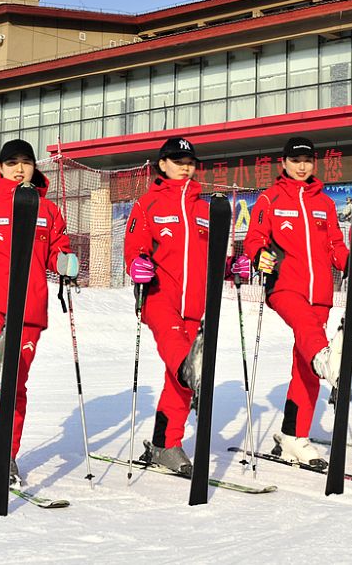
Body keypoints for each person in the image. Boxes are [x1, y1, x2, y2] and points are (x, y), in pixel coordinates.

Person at [0, 139, 78, 483]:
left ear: (36, 167)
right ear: (0, 168)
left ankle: (1, 456)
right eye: (12, 163)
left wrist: (65, 262)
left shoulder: (49, 211)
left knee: (15, 384)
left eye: (26, 162)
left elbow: (58, 249)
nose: (20, 168)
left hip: (30, 308)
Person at [243, 136, 349, 469]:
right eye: (296, 160)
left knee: (304, 368)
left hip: (321, 294)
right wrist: (259, 255)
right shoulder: (270, 199)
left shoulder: (326, 204)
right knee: (308, 334)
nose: (302, 166)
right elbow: (253, 240)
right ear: (284, 163)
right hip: (285, 286)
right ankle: (329, 362)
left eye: (307, 160)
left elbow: (336, 248)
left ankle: (293, 436)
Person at [123, 136, 211, 475]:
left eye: (189, 161)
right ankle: (194, 372)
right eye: (177, 160)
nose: (185, 166)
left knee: (180, 378)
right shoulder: (147, 204)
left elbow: (218, 253)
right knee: (184, 359)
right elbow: (134, 247)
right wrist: (138, 264)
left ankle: (164, 445)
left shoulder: (206, 207)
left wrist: (236, 265)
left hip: (195, 303)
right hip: (159, 294)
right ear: (162, 164)